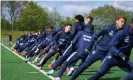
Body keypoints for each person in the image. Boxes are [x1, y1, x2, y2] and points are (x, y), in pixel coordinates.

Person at [70, 16, 127, 80]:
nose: (123, 23)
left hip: (109, 54)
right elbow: (95, 35)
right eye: (122, 21)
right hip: (99, 51)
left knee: (103, 71)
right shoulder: (108, 28)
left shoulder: (123, 32)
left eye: (124, 22)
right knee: (85, 65)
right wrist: (89, 46)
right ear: (117, 21)